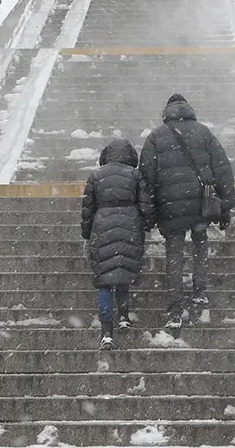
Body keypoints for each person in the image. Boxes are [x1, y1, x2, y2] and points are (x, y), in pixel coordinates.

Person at [139, 93, 235, 332]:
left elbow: (146, 178)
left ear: (167, 112)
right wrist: (226, 203)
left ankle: (175, 308)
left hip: (169, 206)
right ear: (188, 109)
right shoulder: (203, 132)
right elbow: (222, 168)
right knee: (200, 243)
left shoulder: (155, 137)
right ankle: (200, 291)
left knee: (174, 254)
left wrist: (148, 213)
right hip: (200, 203)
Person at [81, 138, 155, 350]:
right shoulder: (135, 175)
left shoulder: (96, 176)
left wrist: (87, 233)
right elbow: (146, 206)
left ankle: (106, 331)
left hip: (102, 227)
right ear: (130, 156)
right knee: (123, 271)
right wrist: (145, 224)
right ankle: (123, 316)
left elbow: (87, 209)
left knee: (105, 280)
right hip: (130, 226)